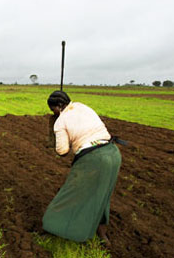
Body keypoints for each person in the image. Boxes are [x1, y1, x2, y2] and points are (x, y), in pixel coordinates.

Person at [42, 90, 122, 245]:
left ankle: (52, 227)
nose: (53, 113)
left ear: (58, 106)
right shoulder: (82, 106)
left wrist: (54, 135)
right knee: (102, 195)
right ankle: (102, 235)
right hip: (113, 153)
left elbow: (62, 151)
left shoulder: (60, 122)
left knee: (70, 194)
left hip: (94, 159)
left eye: (53, 110)